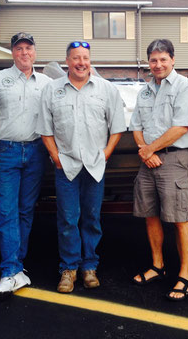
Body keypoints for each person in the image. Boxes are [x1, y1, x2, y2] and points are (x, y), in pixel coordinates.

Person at [37, 41, 126, 293]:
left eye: (85, 58)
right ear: (67, 61)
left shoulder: (106, 89)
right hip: (66, 166)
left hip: (95, 166)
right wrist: (55, 156)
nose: (81, 62)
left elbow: (117, 126)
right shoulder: (52, 90)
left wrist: (106, 153)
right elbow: (45, 128)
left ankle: (89, 266)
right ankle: (69, 268)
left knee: (91, 218)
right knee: (67, 219)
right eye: (76, 58)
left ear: (90, 60)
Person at [0, 32, 52, 297]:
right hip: (6, 151)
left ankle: (17, 266)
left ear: (35, 51)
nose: (24, 53)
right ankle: (9, 270)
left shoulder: (46, 82)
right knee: (6, 212)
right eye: (19, 48)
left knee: (25, 211)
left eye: (29, 48)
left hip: (36, 152)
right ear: (12, 52)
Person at [130, 39, 188, 301]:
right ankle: (157, 266)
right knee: (150, 215)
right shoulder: (145, 91)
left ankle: (184, 275)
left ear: (173, 60)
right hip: (148, 161)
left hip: (175, 160)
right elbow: (136, 126)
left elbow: (182, 126)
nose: (157, 65)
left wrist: (150, 150)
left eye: (163, 59)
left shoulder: (185, 87)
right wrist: (145, 150)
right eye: (153, 60)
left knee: (180, 218)